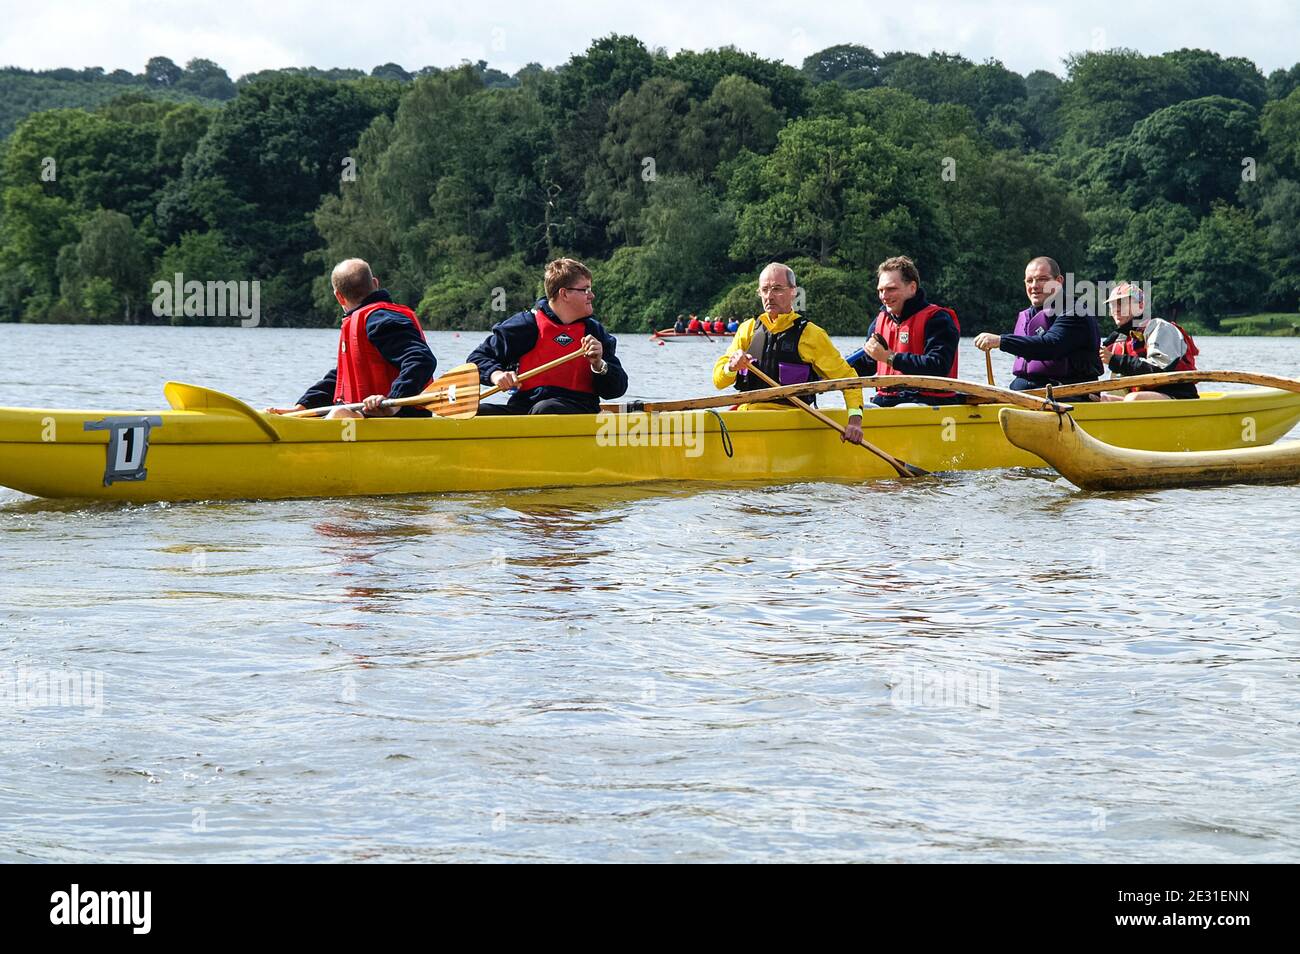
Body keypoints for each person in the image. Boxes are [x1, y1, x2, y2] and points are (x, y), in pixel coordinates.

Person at [712, 262, 864, 444]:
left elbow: (848, 380)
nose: (769, 296)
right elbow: (718, 381)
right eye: (765, 289)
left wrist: (854, 421)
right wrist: (731, 367)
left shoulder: (812, 334)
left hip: (791, 421)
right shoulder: (747, 330)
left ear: (793, 292)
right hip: (749, 418)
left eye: (777, 289)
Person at [267, 258, 435, 419]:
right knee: (337, 413)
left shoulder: (381, 319)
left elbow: (421, 359)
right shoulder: (366, 321)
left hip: (398, 419)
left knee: (338, 414)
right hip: (367, 416)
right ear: (375, 283)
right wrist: (302, 407)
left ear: (339, 296)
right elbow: (340, 378)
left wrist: (393, 402)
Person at [466, 258, 628, 414]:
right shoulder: (526, 325)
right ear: (564, 294)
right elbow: (477, 359)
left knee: (545, 408)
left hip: (578, 409)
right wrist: (497, 375)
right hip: (526, 408)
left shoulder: (594, 332)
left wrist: (599, 365)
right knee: (478, 412)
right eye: (585, 289)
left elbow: (616, 389)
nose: (591, 295)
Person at [973, 256, 1103, 391]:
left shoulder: (1075, 312)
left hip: (1068, 395)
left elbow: (1051, 345)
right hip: (1025, 393)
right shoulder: (1028, 315)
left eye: (1042, 279)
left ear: (1058, 281)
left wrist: (1001, 341)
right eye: (1029, 281)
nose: (1034, 286)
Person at [849, 256, 963, 407]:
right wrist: (828, 371)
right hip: (887, 400)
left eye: (891, 289)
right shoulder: (879, 322)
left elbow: (939, 366)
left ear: (912, 288)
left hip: (928, 401)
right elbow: (867, 362)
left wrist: (890, 358)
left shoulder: (938, 319)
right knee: (853, 413)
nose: (884, 296)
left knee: (905, 407)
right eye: (881, 290)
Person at [1099, 282, 1199, 400]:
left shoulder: (1159, 328)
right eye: (1113, 305)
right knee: (1102, 399)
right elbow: (1118, 387)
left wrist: (1115, 361)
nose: (1117, 310)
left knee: (1133, 398)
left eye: (1122, 304)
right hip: (1143, 397)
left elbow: (1158, 371)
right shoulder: (1121, 339)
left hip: (1177, 396)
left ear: (1140, 306)